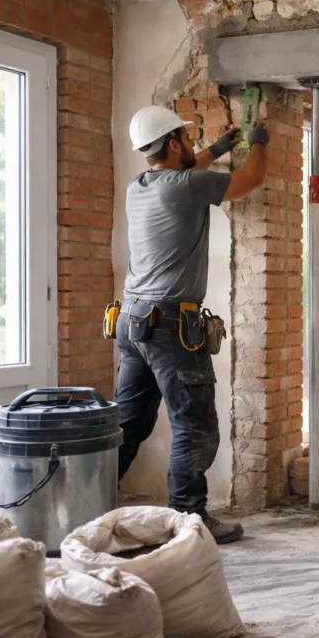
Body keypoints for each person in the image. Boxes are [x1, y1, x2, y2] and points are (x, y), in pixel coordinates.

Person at [116, 105, 269, 544]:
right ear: (172, 143)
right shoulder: (186, 187)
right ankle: (189, 520)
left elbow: (188, 168)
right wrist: (258, 142)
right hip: (168, 327)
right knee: (195, 425)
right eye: (186, 137)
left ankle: (88, 503)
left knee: (129, 424)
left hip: (132, 320)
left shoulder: (139, 186)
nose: (191, 144)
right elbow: (253, 180)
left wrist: (219, 147)